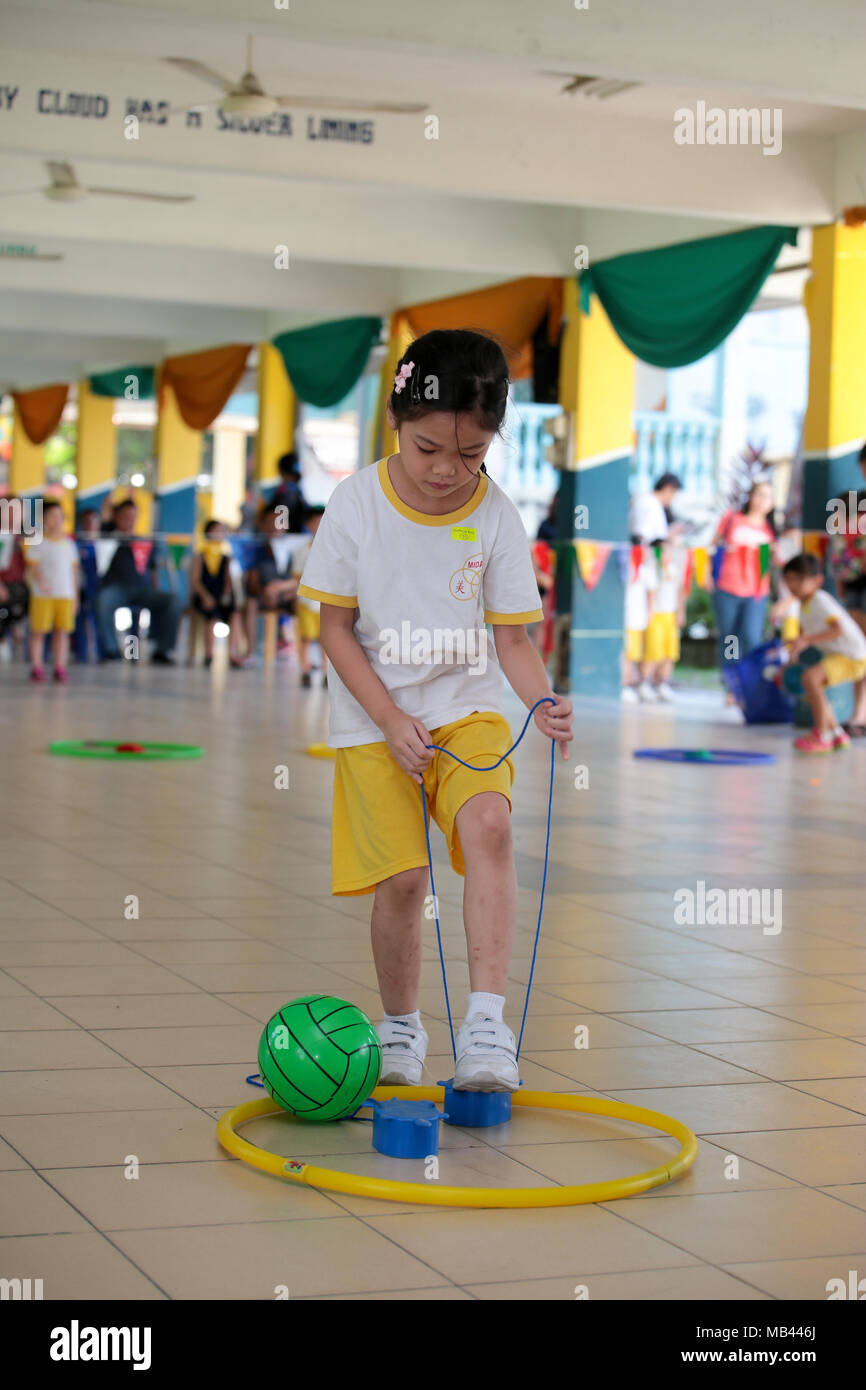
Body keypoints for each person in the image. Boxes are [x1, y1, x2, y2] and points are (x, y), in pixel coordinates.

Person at [297, 329, 573, 1094]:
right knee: (405, 882)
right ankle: (400, 1029)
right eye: (429, 450)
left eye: (474, 455)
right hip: (373, 716)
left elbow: (511, 640)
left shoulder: (497, 517)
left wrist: (542, 700)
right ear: (395, 421)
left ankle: (487, 1026)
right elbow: (334, 627)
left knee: (490, 824)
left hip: (466, 707)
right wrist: (388, 719)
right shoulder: (355, 504)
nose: (449, 470)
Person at [781, 553, 866, 754]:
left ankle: (822, 735)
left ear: (817, 581)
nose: (794, 585)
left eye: (799, 579)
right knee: (813, 688)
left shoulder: (820, 600)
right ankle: (836, 733)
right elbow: (805, 636)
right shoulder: (803, 605)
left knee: (810, 679)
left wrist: (806, 640)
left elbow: (838, 630)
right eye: (789, 579)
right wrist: (794, 652)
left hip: (853, 656)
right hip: (842, 656)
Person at [95, 499, 181, 664]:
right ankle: (111, 650)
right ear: (116, 517)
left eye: (133, 517)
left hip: (143, 590)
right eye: (125, 516)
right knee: (103, 600)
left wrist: (155, 588)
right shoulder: (107, 538)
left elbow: (152, 569)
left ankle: (163, 650)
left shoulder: (143, 541)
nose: (129, 520)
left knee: (173, 601)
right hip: (116, 589)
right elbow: (104, 519)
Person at [710, 479, 776, 673]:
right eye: (759, 494)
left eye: (768, 496)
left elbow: (777, 560)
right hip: (727, 586)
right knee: (730, 638)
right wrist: (706, 574)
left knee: (752, 636)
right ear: (751, 496)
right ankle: (732, 681)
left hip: (757, 591)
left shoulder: (771, 528)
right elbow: (711, 547)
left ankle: (751, 678)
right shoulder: (732, 519)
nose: (763, 500)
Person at [24, 499, 79, 682]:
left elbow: (74, 571)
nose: (56, 520)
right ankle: (37, 666)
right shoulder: (38, 542)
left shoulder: (69, 544)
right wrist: (41, 582)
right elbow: (33, 567)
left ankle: (59, 667)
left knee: (61, 631)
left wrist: (75, 596)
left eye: (59, 516)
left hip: (65, 595)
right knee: (39, 631)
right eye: (51, 515)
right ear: (43, 519)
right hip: (43, 595)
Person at [189, 519, 244, 668]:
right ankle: (209, 654)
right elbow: (195, 581)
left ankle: (232, 653)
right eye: (215, 530)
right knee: (211, 615)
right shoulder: (200, 556)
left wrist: (226, 595)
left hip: (220, 596)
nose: (219, 534)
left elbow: (228, 581)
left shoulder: (226, 557)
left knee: (235, 613)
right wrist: (206, 596)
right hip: (204, 595)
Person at [644, 538, 686, 702]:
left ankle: (663, 683)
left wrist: (680, 612)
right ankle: (645, 682)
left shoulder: (673, 569)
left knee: (670, 651)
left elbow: (680, 592)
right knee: (653, 650)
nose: (666, 554)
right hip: (656, 614)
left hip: (670, 614)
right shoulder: (650, 569)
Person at [292, 503, 329, 688]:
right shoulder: (302, 551)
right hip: (306, 602)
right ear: (309, 524)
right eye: (316, 522)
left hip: (327, 603)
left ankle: (326, 672)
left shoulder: (334, 549)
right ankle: (305, 670)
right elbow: (296, 578)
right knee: (306, 637)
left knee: (327, 639)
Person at [622, 545, 658, 702]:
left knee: (634, 653)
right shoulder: (624, 567)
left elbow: (652, 592)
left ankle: (634, 684)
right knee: (626, 654)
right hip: (625, 618)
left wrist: (649, 612)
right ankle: (625, 685)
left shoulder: (644, 571)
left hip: (637, 618)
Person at [72, 508, 102, 663]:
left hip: (100, 589)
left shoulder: (105, 543)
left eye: (93, 520)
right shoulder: (76, 544)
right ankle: (80, 654)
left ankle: (101, 654)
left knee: (99, 621)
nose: (90, 524)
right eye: (87, 521)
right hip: (81, 589)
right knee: (79, 620)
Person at [0, 500, 28, 657]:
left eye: (18, 511)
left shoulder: (24, 538)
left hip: (20, 585)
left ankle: (16, 629)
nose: (15, 515)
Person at [629, 473, 682, 546]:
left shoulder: (652, 502)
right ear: (668, 488)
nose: (673, 499)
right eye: (674, 494)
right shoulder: (650, 503)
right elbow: (643, 537)